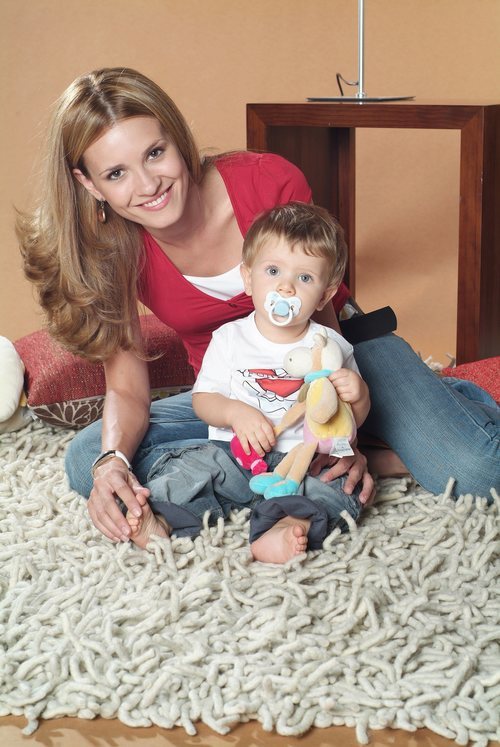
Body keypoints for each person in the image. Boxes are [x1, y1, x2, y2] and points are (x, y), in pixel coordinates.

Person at [17, 67, 499, 546]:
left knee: (477, 471)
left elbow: (324, 335)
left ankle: (424, 408)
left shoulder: (267, 182)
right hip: (239, 394)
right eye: (116, 173)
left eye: (155, 153)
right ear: (89, 184)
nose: (147, 185)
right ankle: (332, 460)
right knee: (90, 459)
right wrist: (112, 464)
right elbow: (126, 388)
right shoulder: (111, 248)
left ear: (176, 138)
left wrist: (341, 436)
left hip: (338, 359)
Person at [125, 201, 370, 562]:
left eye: (304, 278)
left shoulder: (331, 347)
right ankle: (159, 518)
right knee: (192, 466)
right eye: (273, 271)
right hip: (235, 456)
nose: (286, 287)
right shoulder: (230, 338)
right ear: (248, 278)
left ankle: (287, 524)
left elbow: (349, 421)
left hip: (302, 462)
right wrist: (235, 413)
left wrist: (359, 396)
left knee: (339, 489)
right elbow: (203, 399)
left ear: (325, 294)